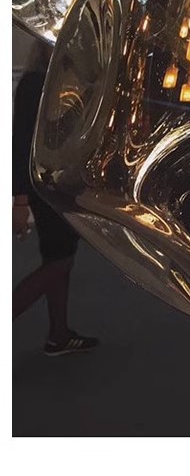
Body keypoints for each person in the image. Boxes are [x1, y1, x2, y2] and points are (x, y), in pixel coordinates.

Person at [12, 41, 99, 355]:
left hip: (62, 185)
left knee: (59, 259)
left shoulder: (62, 82)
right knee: (59, 262)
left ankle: (58, 335)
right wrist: (20, 201)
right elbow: (21, 142)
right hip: (45, 187)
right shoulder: (35, 83)